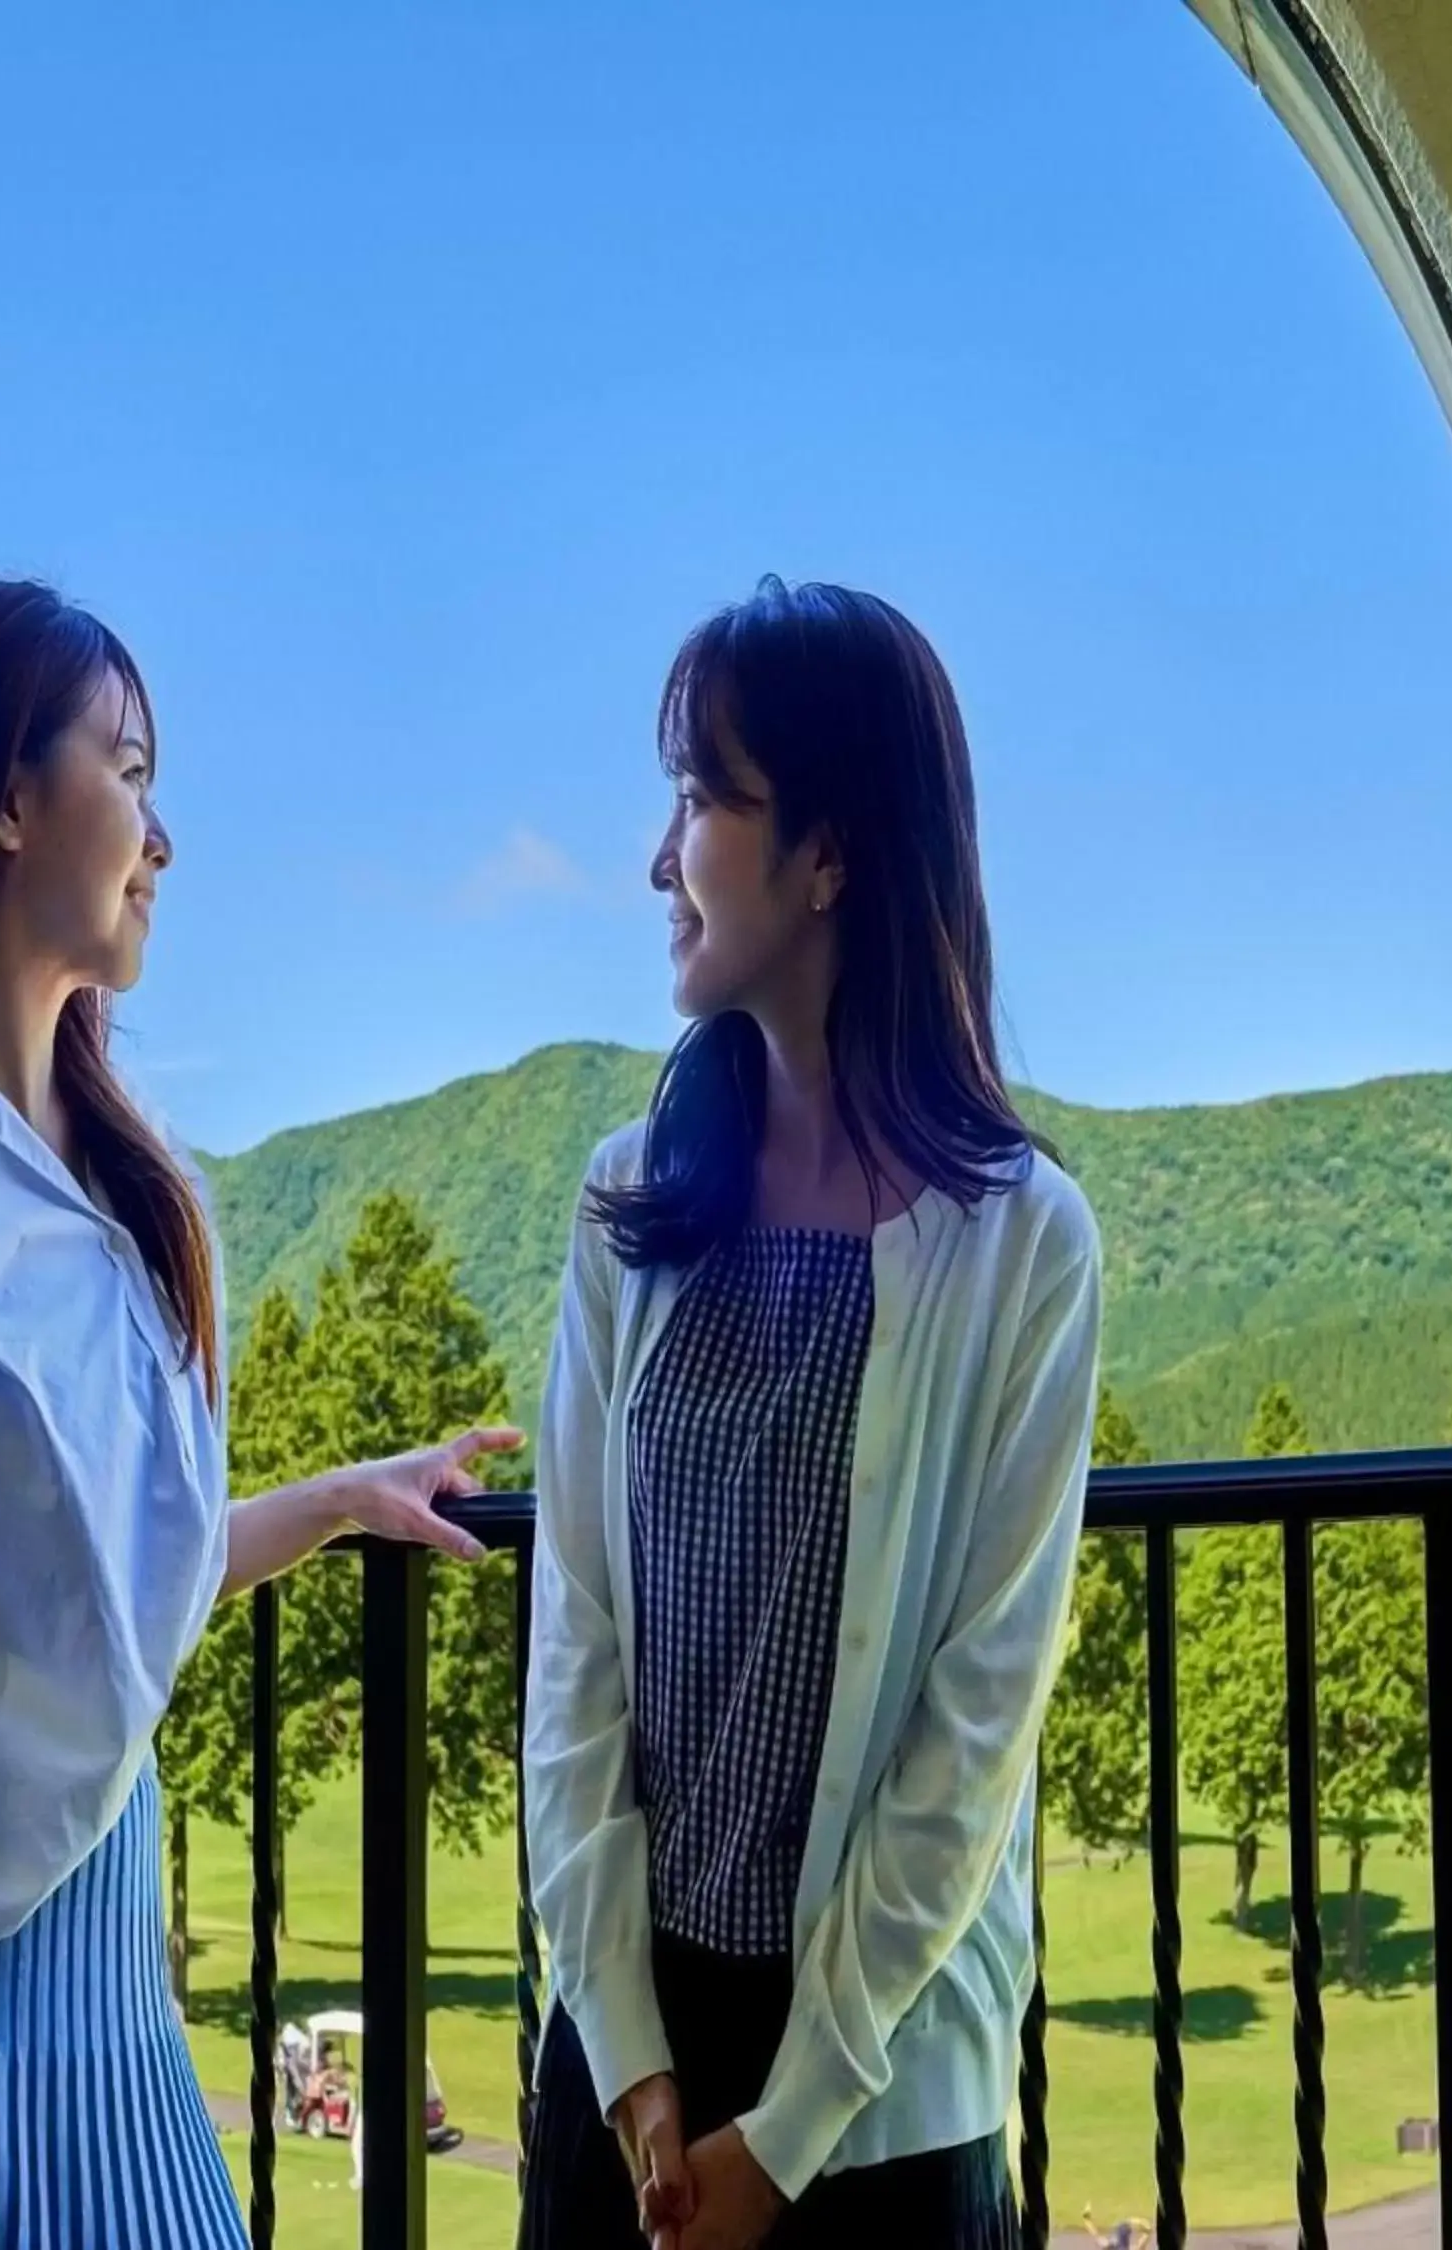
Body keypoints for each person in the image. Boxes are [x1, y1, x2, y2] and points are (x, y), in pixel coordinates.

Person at [0, 579, 511, 2250]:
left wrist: (344, 1499)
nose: (162, 835)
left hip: (116, 2031)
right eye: (129, 769)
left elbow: (80, 1596)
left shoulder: (115, 1190)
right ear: (7, 797)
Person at [519, 580, 1103, 2250]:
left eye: (705, 797)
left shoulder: (1022, 1245)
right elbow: (574, 1646)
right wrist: (632, 2065)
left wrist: (788, 2133)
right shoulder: (625, 1206)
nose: (661, 856)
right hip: (624, 2067)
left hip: (882, 2106)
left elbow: (974, 1725)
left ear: (832, 853)